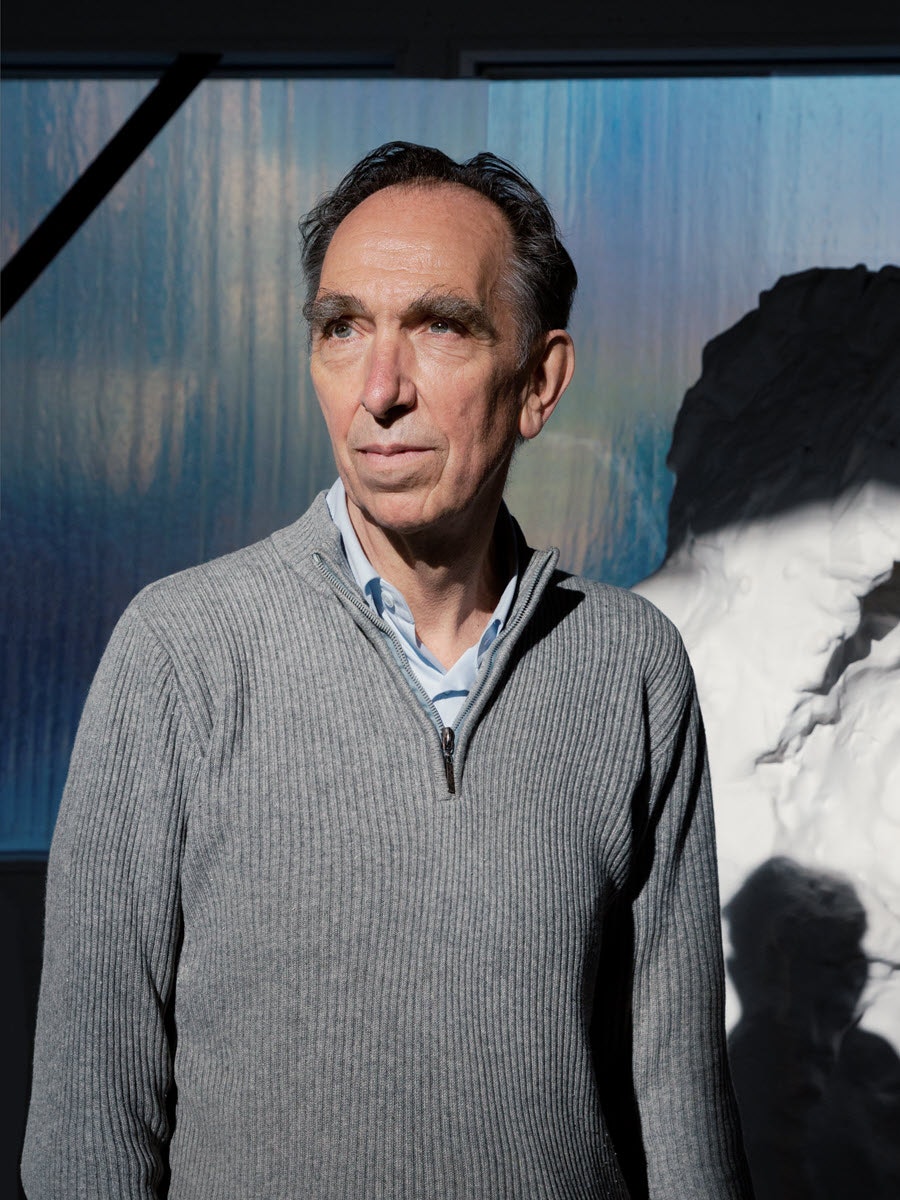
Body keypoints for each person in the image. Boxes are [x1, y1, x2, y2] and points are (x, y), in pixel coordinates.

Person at [22, 141, 752, 1198]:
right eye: (343, 327)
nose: (380, 390)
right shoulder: (180, 651)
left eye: (441, 326)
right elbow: (87, 1124)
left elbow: (680, 1102)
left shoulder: (627, 664)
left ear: (539, 381)